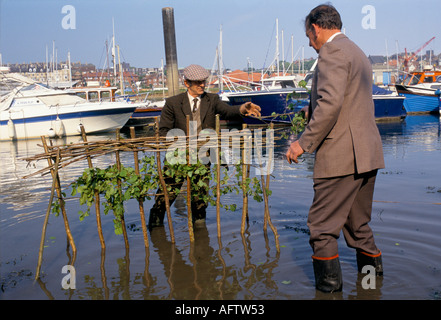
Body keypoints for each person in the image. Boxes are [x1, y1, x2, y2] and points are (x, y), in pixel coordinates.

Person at [285, 4, 385, 293]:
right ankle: (371, 288)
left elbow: (331, 104)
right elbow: (345, 100)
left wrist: (302, 144)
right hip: (367, 155)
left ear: (316, 28)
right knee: (358, 228)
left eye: (308, 36)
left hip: (342, 157)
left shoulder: (330, 52)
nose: (309, 43)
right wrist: (311, 108)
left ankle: (328, 293)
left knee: (321, 229)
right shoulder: (356, 51)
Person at [148, 64, 261, 230]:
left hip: (203, 156)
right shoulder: (173, 103)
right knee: (166, 195)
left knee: (200, 199)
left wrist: (243, 108)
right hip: (178, 157)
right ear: (186, 83)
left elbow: (228, 111)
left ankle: (201, 236)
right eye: (197, 82)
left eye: (204, 81)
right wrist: (182, 145)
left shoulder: (212, 100)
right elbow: (164, 131)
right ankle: (155, 227)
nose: (202, 85)